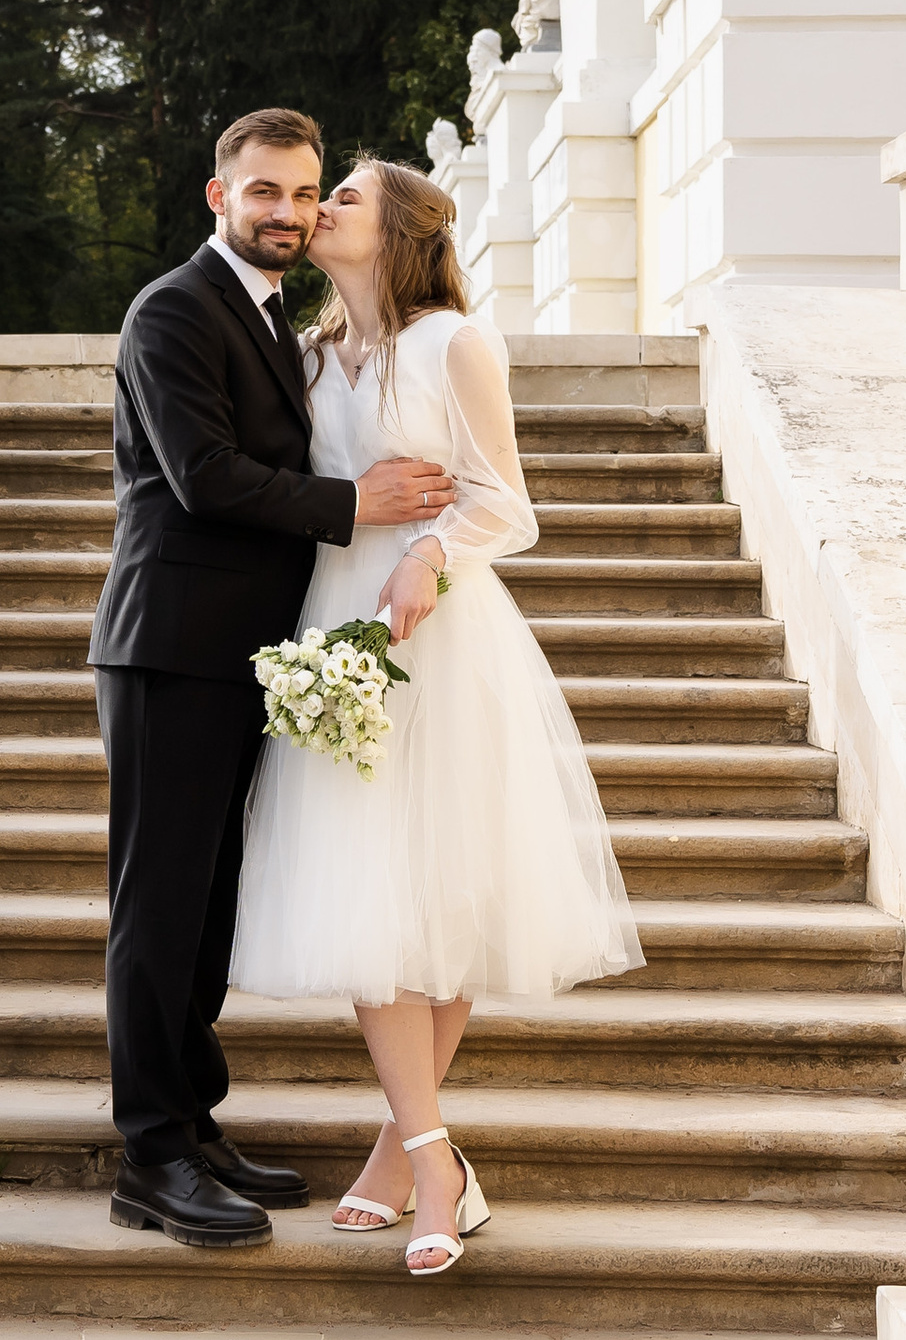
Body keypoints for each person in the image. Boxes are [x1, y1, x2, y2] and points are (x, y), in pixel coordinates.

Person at [231, 157, 641, 1275]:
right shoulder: (308, 353)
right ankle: (433, 1156)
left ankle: (407, 1159)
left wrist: (427, 551)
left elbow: (506, 504)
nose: (319, 213)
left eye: (344, 197)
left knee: (441, 888)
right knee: (369, 884)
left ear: (400, 226)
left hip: (441, 629)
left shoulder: (454, 341)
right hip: (335, 621)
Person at [89, 111, 460, 1247]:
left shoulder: (268, 317)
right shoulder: (172, 310)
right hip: (168, 647)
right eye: (266, 193)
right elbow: (202, 478)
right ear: (218, 196)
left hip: (245, 655)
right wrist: (360, 507)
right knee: (157, 908)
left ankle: (194, 1128)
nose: (289, 214)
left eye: (305, 194)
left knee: (202, 908)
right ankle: (151, 1155)